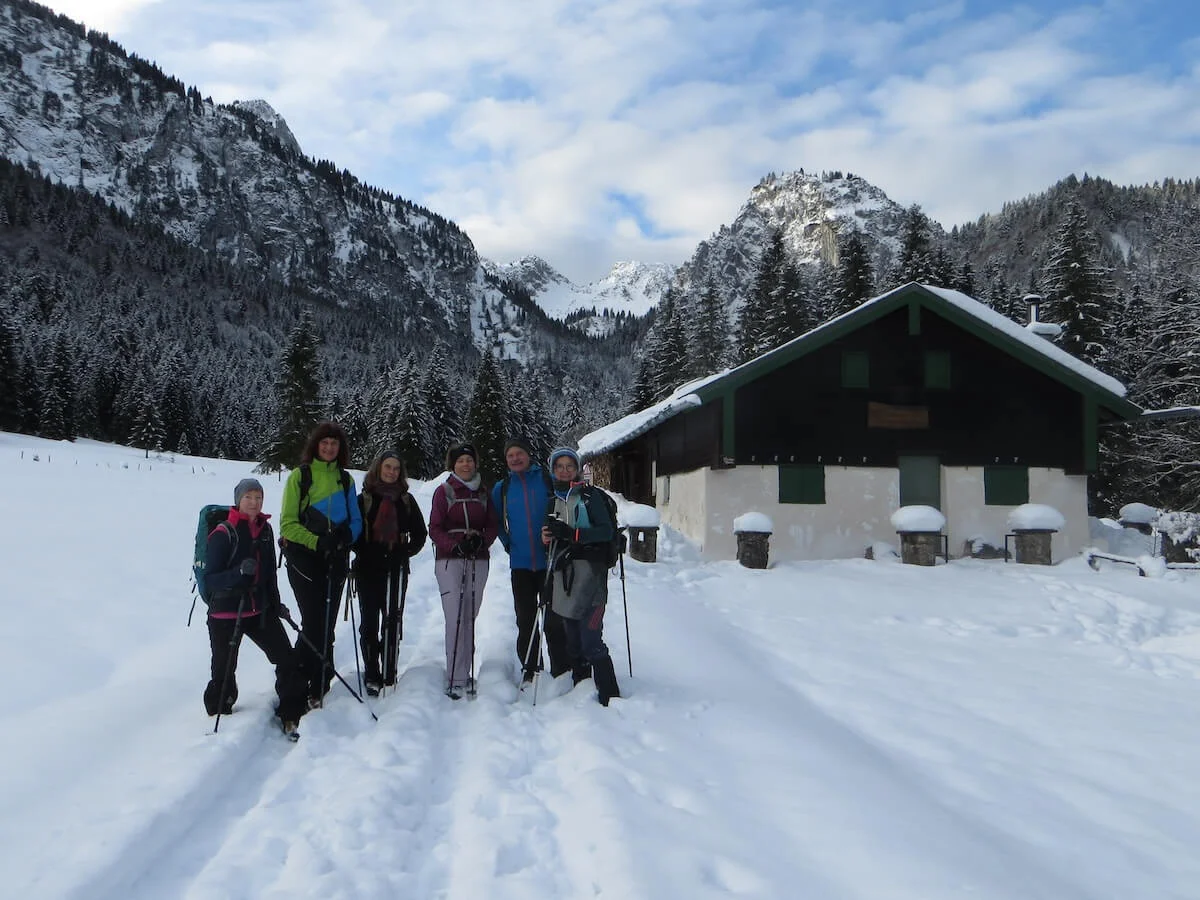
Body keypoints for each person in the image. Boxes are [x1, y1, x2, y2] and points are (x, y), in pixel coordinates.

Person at [204, 478, 308, 737]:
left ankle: (291, 711)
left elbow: (270, 572)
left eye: (258, 497)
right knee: (224, 671)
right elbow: (211, 579)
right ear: (238, 499)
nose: (254, 502)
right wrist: (238, 573)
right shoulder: (223, 532)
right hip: (226, 613)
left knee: (287, 658)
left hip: (259, 609)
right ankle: (218, 716)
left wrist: (275, 603)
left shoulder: (265, 529)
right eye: (248, 497)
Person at [280, 421, 363, 708]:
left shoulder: (346, 480)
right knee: (314, 622)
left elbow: (356, 522)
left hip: (336, 559)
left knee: (326, 623)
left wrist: (344, 537)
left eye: (334, 444)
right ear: (315, 445)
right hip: (304, 559)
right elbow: (288, 525)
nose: (329, 448)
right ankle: (296, 680)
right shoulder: (299, 477)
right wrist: (317, 542)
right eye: (324, 443)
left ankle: (320, 679)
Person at [541, 447, 622, 706]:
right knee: (573, 639)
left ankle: (610, 695)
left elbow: (605, 532)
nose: (564, 470)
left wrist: (573, 534)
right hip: (564, 575)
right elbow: (551, 538)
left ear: (577, 469)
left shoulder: (590, 497)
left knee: (590, 637)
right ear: (552, 469)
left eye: (569, 466)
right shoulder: (552, 499)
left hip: (591, 575)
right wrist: (547, 538)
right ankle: (582, 688)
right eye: (559, 466)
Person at [492, 436, 568, 686]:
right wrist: (507, 543)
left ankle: (561, 670)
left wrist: (557, 534)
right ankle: (531, 670)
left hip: (550, 562)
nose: (515, 458)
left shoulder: (546, 480)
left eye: (519, 454)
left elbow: (563, 510)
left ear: (528, 455)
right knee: (526, 620)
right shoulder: (501, 488)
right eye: (510, 455)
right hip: (521, 565)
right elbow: (496, 522)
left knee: (554, 621)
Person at [353, 450, 427, 696]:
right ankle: (372, 671)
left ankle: (390, 670)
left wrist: (406, 551)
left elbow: (420, 533)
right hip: (367, 568)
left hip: (396, 568)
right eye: (388, 467)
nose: (392, 472)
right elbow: (352, 531)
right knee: (369, 622)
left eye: (396, 468)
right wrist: (362, 551)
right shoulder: (363, 498)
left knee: (393, 620)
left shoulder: (405, 500)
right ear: (378, 468)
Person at [428, 441, 498, 698]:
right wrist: (455, 545)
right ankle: (454, 675)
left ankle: (465, 672)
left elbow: (493, 525)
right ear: (453, 465)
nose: (466, 464)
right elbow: (434, 528)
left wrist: (482, 540)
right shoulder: (444, 491)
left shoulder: (483, 493)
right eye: (461, 461)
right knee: (454, 615)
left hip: (478, 558)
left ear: (475, 463)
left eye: (469, 460)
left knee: (470, 615)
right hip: (450, 559)